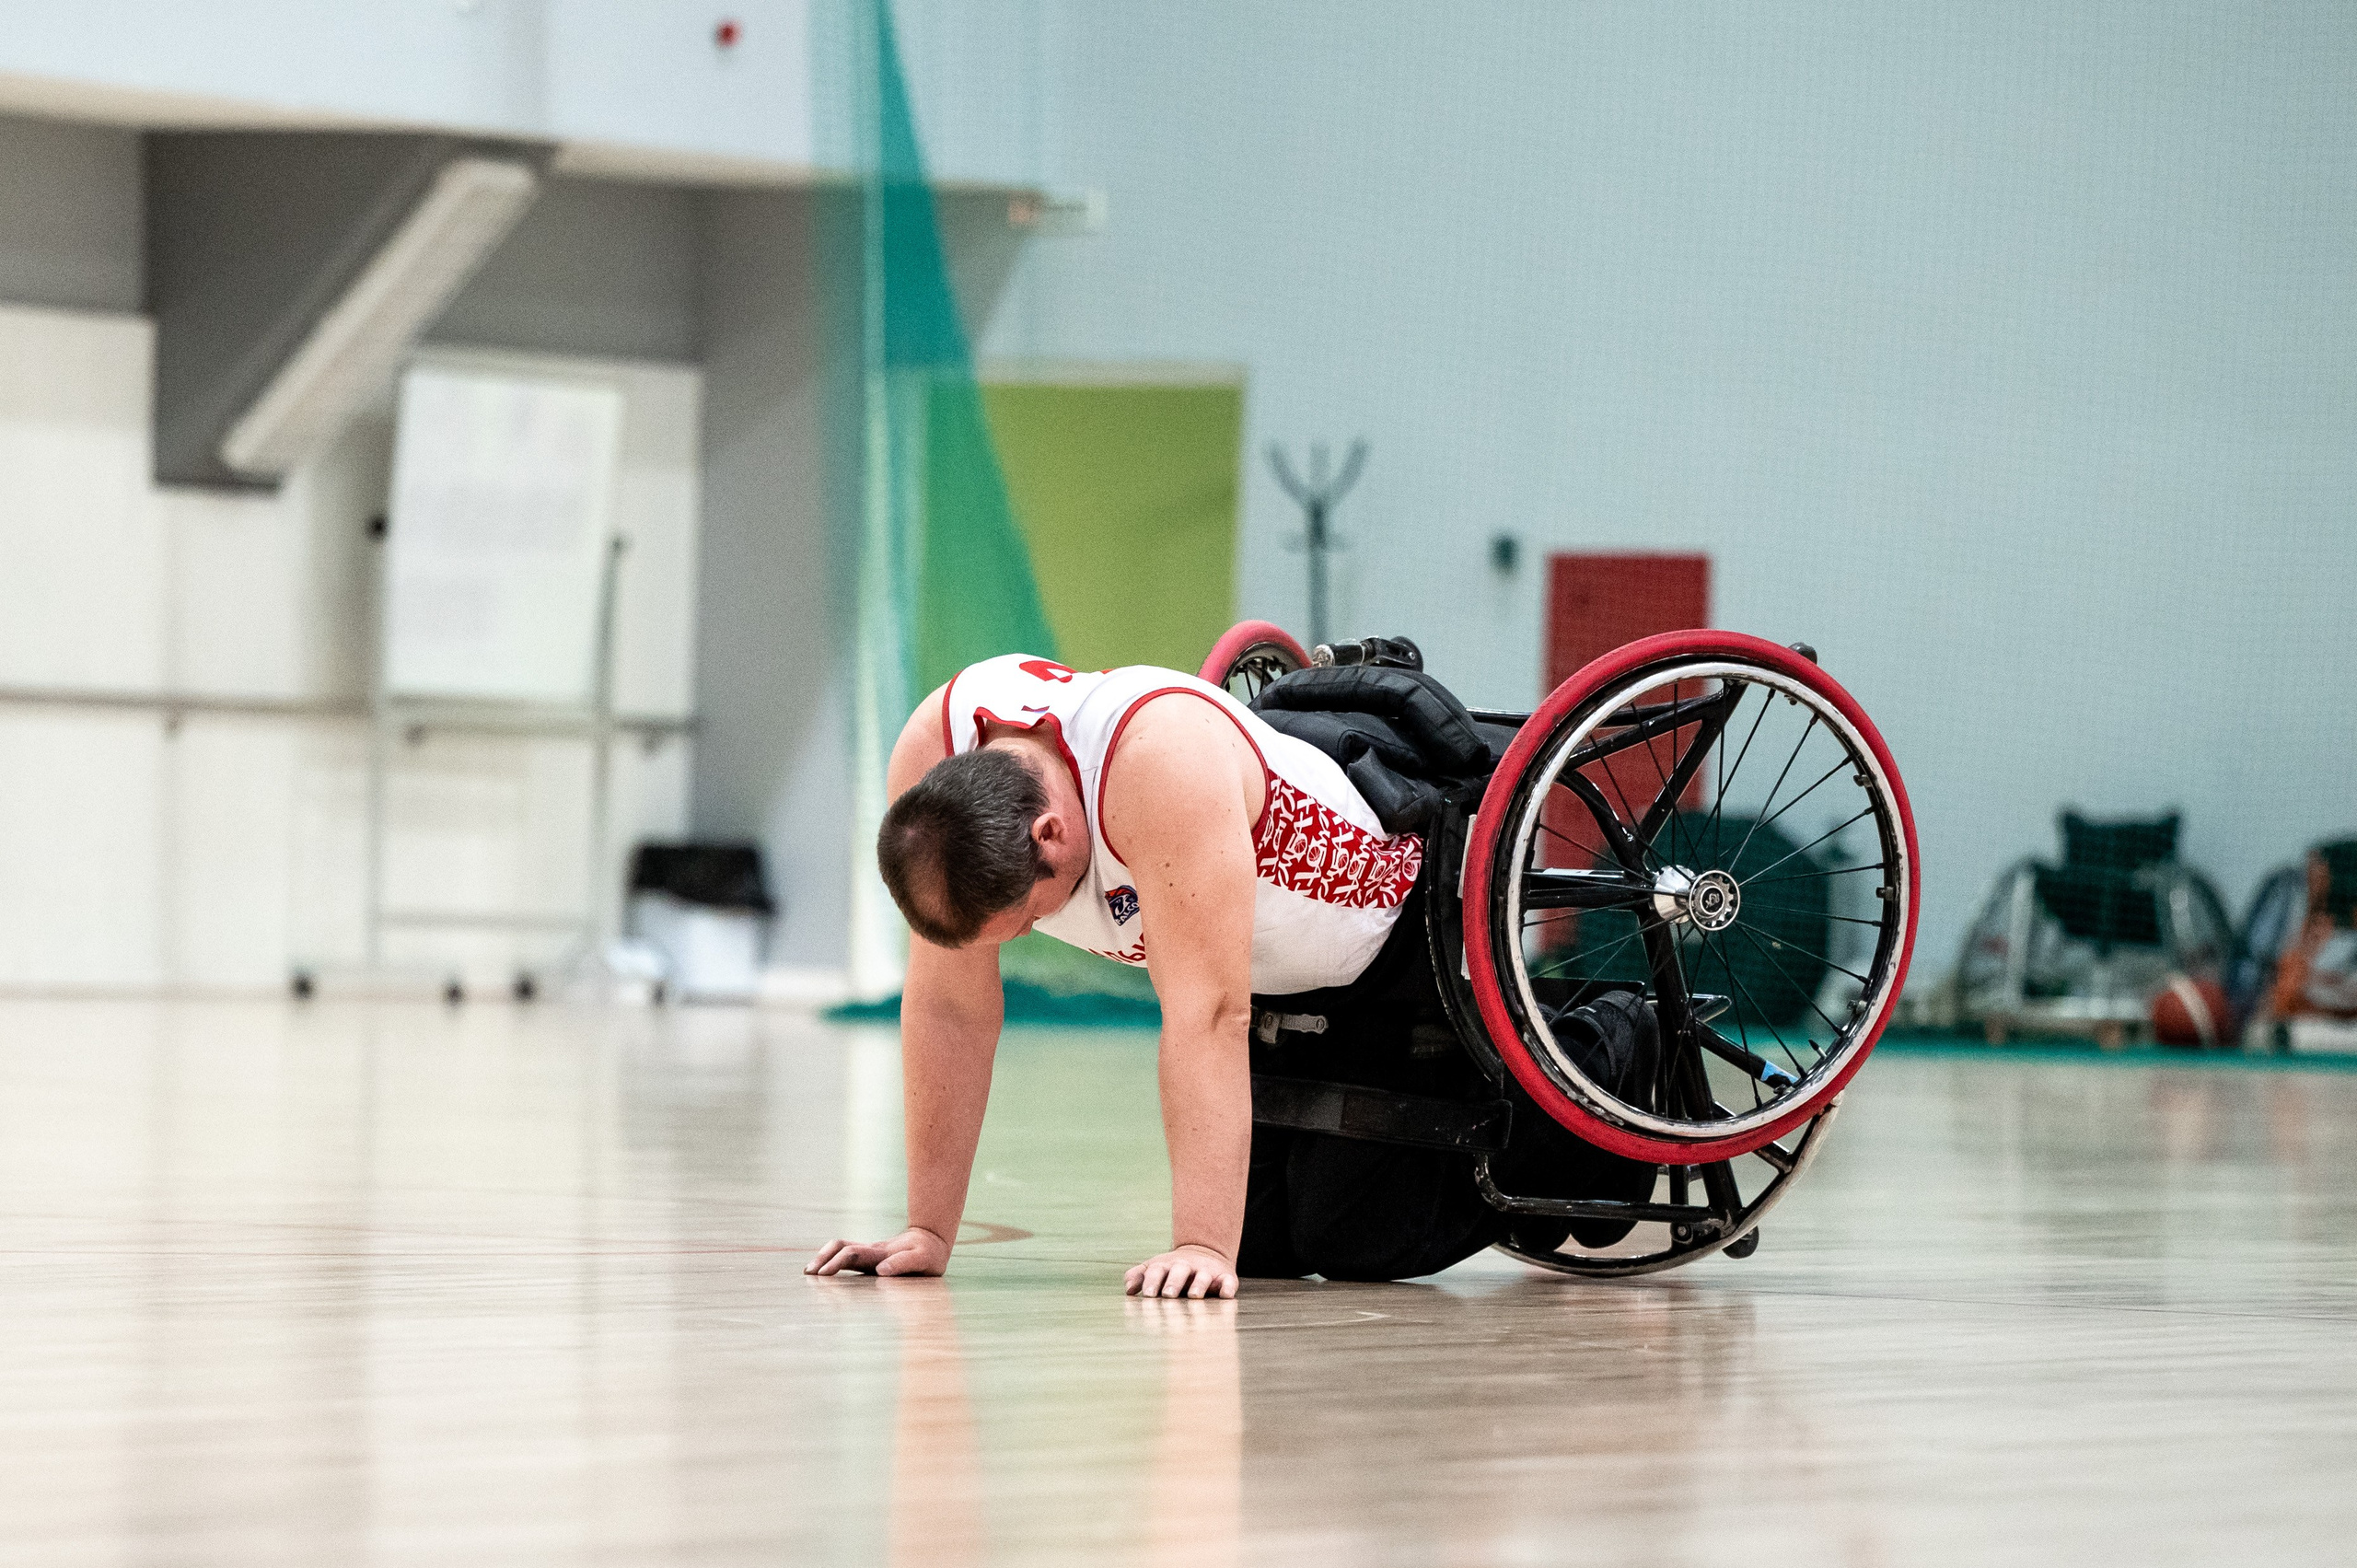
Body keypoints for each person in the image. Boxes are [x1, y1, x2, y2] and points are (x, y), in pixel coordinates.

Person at [805, 652, 1651, 1297]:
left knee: (1359, 1238)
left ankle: (1618, 1040)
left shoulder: (1155, 768)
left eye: (1028, 920)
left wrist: (1201, 1245)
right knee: (1271, 1245)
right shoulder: (933, 757)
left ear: (1052, 835)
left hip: (1393, 929)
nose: (1034, 933)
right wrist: (928, 1230)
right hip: (1275, 970)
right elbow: (950, 1007)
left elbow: (1207, 1017)